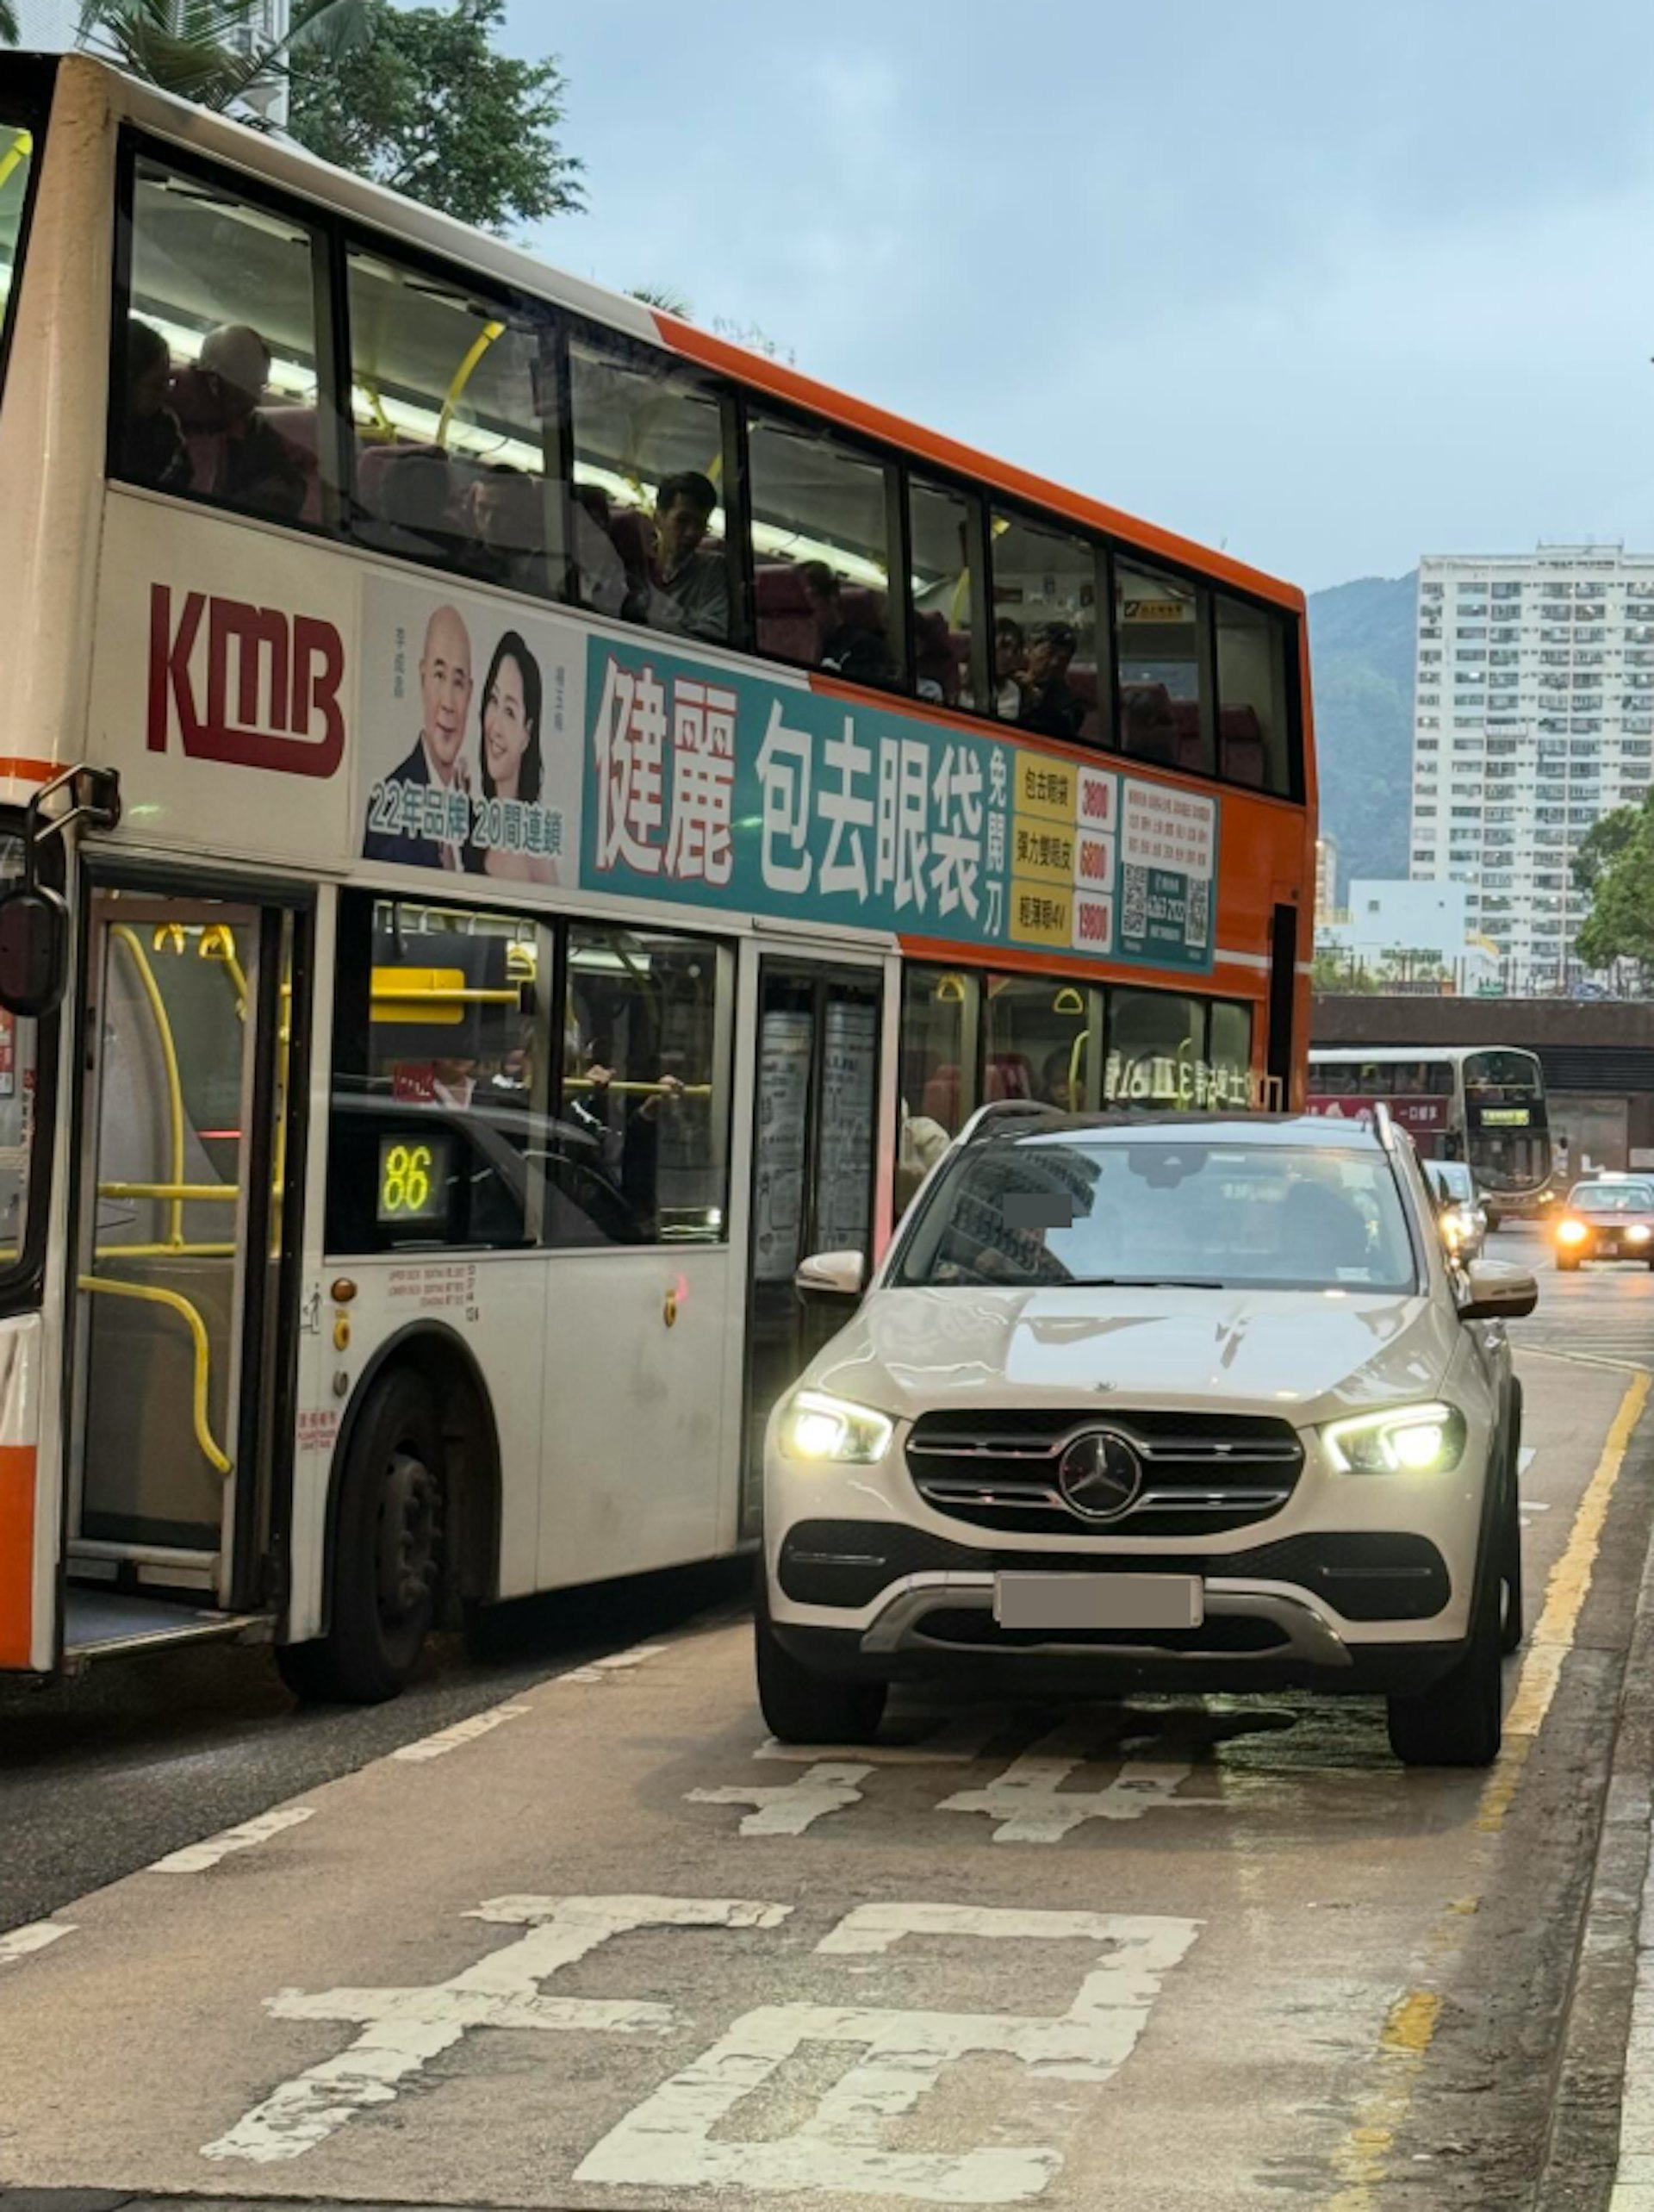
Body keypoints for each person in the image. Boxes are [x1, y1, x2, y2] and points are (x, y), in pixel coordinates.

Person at [363, 603, 476, 869]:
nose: (448, 702)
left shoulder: (478, 821)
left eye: (458, 683)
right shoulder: (390, 803)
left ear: (470, 693)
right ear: (422, 678)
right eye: (439, 675)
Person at [177, 324, 307, 520]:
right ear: (214, 382)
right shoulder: (161, 418)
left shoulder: (256, 435)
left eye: (260, 387)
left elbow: (288, 485)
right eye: (246, 390)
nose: (256, 401)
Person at [465, 629, 557, 886]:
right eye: (493, 701)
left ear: (527, 733)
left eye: (510, 712)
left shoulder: (533, 849)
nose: (495, 727)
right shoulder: (473, 824)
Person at [628, 470, 730, 641]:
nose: (691, 533)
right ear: (658, 519)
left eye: (700, 525)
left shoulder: (711, 570)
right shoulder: (632, 564)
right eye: (682, 521)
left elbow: (714, 632)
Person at [119, 318, 191, 495]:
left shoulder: (166, 430)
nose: (166, 393)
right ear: (125, 384)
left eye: (168, 382)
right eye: (156, 386)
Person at [799, 560, 894, 686]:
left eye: (807, 599)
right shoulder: (785, 645)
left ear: (832, 597)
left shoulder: (863, 646)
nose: (799, 609)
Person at [463, 464, 547, 595]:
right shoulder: (460, 557)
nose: (489, 520)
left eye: (502, 511)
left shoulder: (543, 566)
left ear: (523, 512)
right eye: (483, 508)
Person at [1015, 620, 1087, 741]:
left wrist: (1036, 701)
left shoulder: (1070, 705)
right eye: (1049, 653)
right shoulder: (1010, 681)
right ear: (1029, 650)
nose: (1055, 663)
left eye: (1063, 659)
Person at [993, 617, 1027, 719]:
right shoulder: (956, 677)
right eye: (1004, 646)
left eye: (1015, 651)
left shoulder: (1012, 691)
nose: (1009, 655)